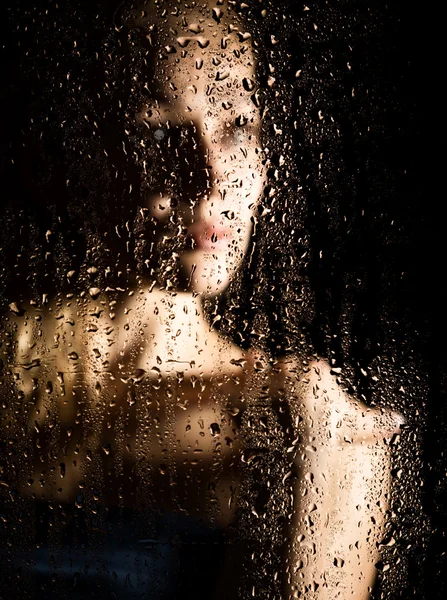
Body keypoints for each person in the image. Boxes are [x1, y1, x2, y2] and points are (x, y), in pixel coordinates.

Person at [1, 1, 403, 598]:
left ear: (266, 164)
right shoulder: (14, 364)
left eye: (238, 130)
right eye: (166, 133)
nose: (211, 175)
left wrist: (320, 461)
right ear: (103, 150)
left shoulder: (307, 419)